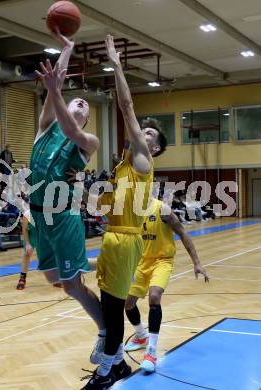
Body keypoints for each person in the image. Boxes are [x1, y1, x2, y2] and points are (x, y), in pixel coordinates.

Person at [81, 35, 167, 389]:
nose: (141, 131)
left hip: (126, 242)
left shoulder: (144, 162)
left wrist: (117, 65)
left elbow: (127, 107)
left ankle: (105, 375)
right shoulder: (124, 164)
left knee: (113, 313)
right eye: (141, 130)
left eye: (149, 133)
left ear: (155, 147)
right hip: (114, 238)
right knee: (109, 306)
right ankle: (116, 363)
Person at [31, 29, 105, 361]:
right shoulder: (46, 127)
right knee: (53, 278)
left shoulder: (87, 141)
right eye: (76, 98)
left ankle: (106, 333)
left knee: (73, 286)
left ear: (88, 119)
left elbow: (69, 123)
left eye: (85, 105)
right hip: (38, 215)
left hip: (63, 216)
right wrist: (67, 49)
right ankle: (96, 260)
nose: (80, 101)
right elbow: (56, 86)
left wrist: (55, 92)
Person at [124, 198, 209, 372]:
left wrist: (197, 263)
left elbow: (183, 233)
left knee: (154, 296)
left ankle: (151, 352)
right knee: (128, 303)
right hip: (142, 262)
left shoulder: (162, 210)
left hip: (163, 260)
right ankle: (141, 336)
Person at [16, 209, 36, 290]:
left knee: (52, 254)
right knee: (27, 254)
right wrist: (27, 244)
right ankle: (22, 279)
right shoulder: (27, 214)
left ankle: (56, 279)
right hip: (31, 234)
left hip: (42, 233)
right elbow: (24, 229)